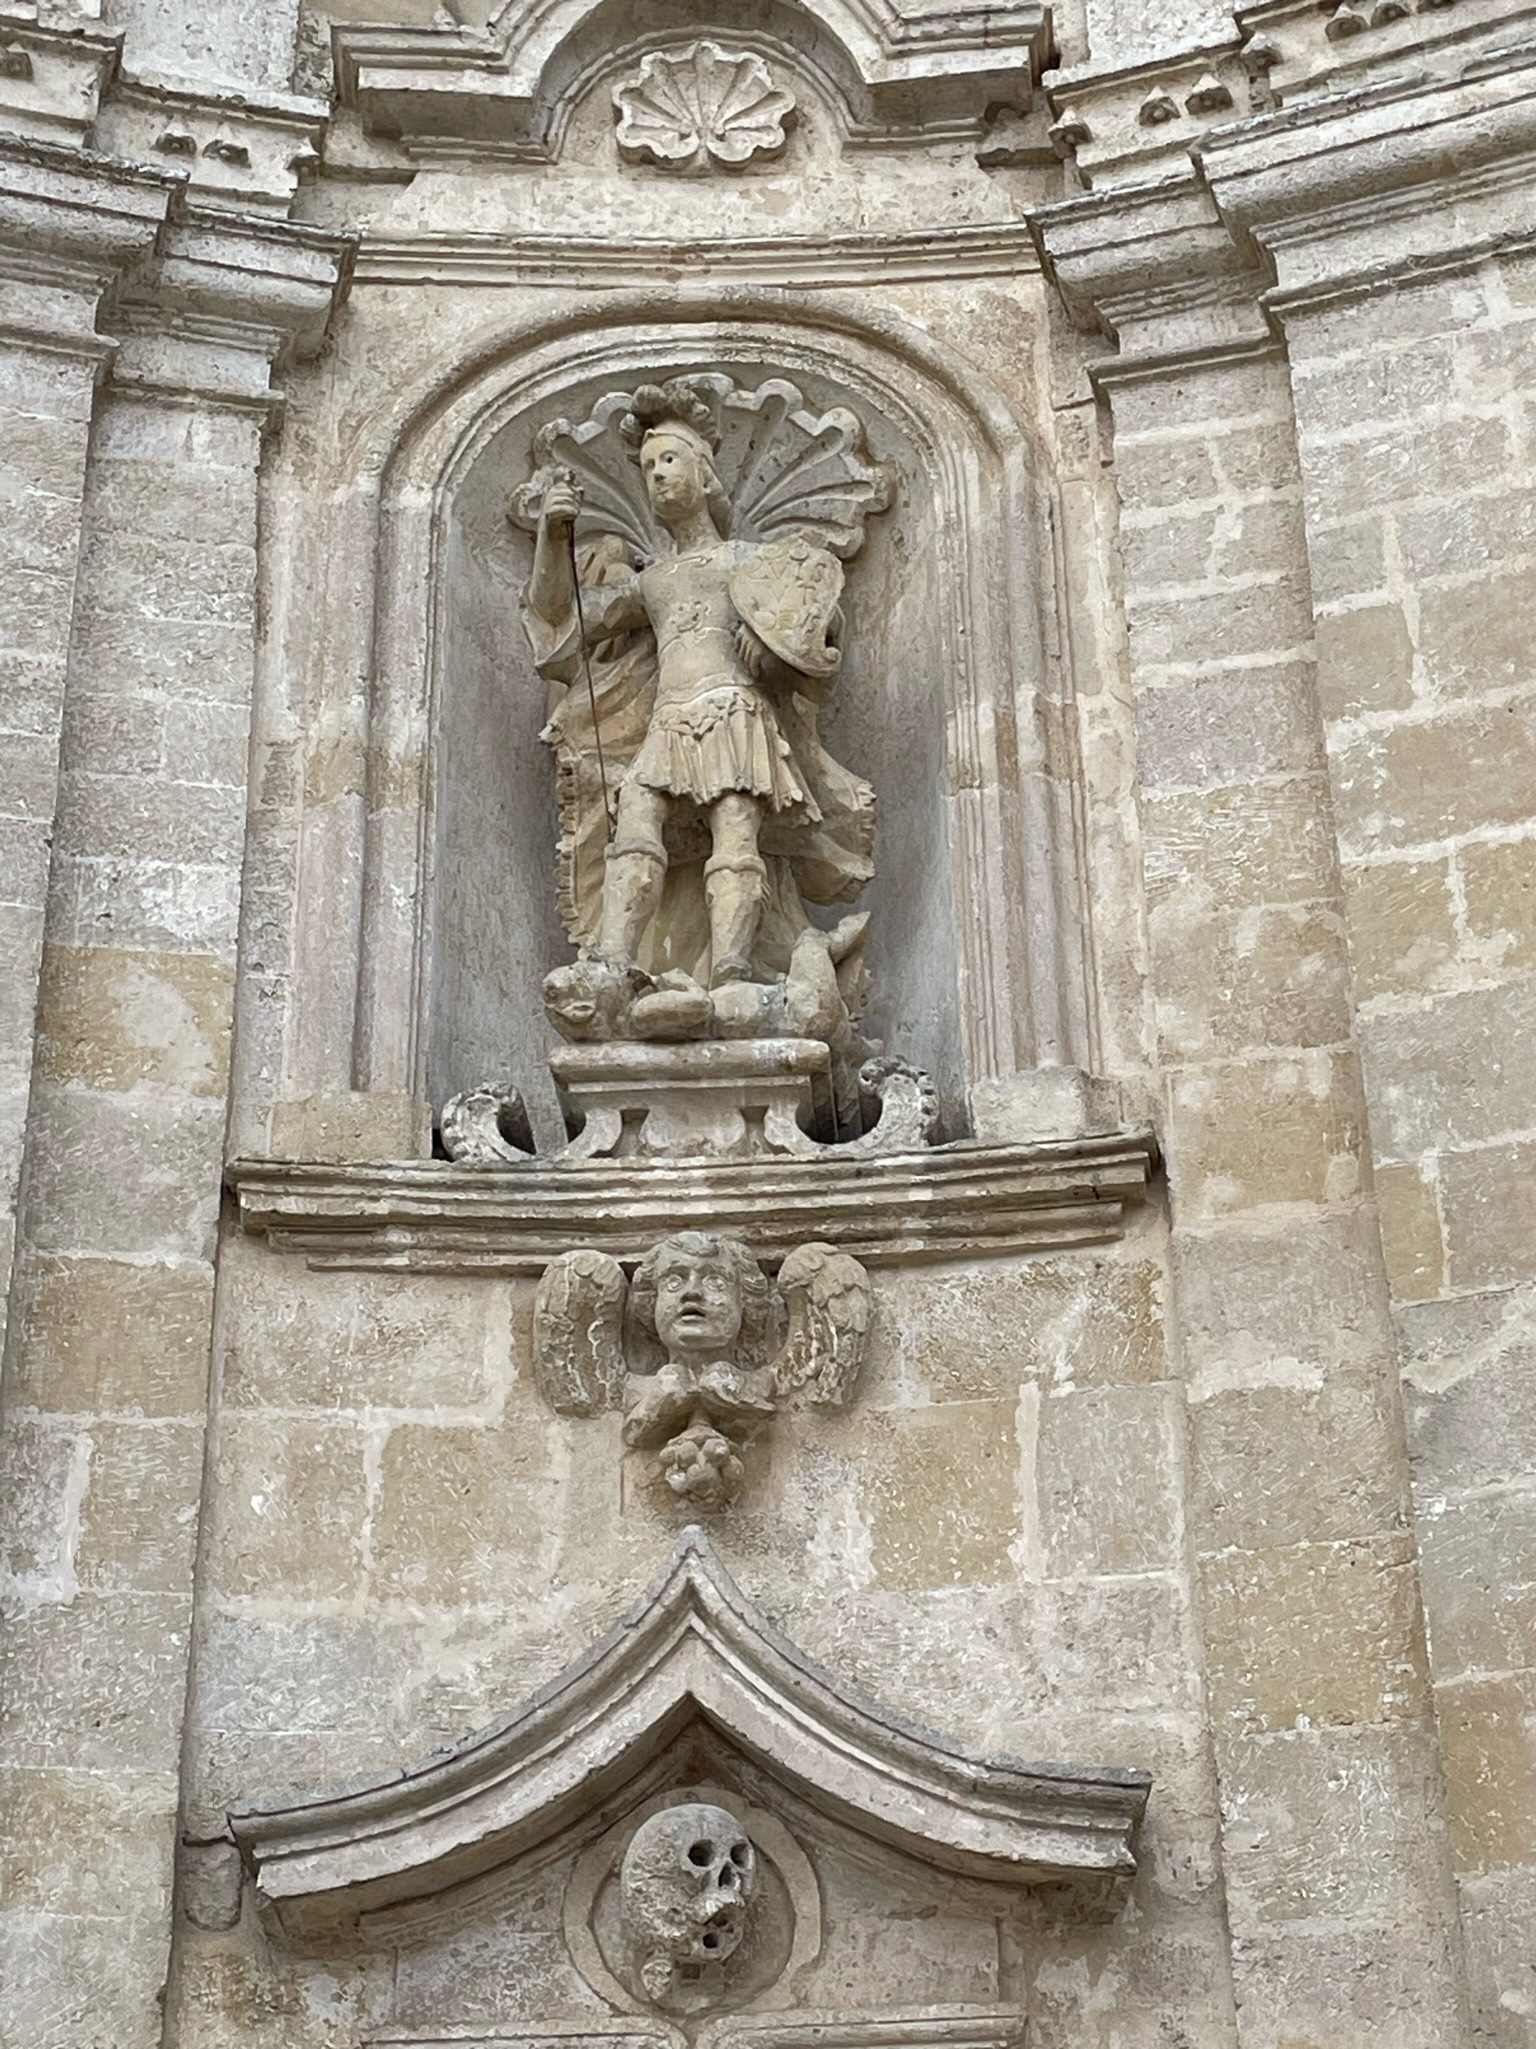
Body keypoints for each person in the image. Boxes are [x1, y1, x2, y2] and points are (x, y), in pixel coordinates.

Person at [521, 388, 871, 991]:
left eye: (669, 461)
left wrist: (771, 645)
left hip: (735, 712)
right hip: (669, 722)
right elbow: (564, 624)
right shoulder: (652, 581)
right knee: (634, 825)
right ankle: (612, 962)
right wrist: (552, 539)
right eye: (648, 467)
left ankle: (733, 967)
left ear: (706, 475)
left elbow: (818, 622)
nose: (657, 475)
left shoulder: (745, 560)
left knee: (735, 834)